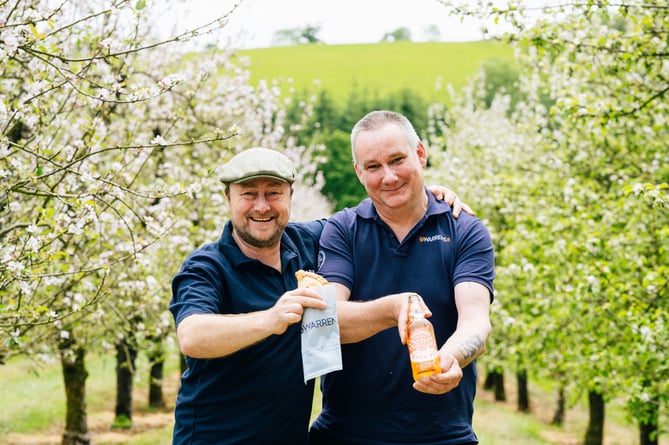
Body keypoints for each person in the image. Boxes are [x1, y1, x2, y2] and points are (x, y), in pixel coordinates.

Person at [169, 146, 468, 444]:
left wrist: (423, 199)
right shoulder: (206, 266)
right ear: (228, 199)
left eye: (273, 193)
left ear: (290, 196)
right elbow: (193, 337)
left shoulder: (309, 243)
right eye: (248, 194)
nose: (262, 206)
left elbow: (371, 219)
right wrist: (270, 319)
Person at [310, 110, 496, 445]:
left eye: (397, 160)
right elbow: (326, 322)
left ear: (420, 154)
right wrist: (392, 309)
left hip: (442, 436)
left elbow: (476, 320)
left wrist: (447, 360)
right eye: (373, 166)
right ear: (358, 172)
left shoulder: (465, 230)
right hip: (344, 435)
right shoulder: (342, 231)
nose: (389, 176)